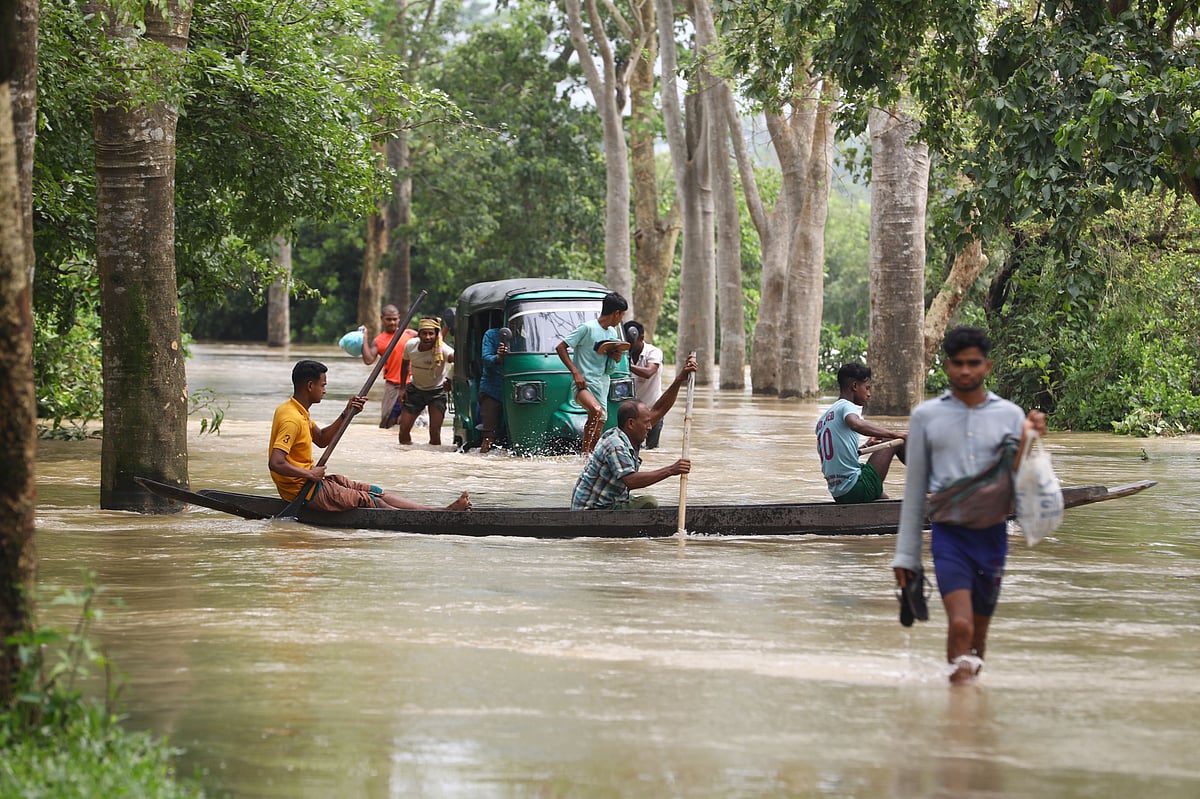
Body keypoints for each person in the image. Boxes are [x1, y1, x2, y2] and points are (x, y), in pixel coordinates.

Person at [892, 326, 1046, 686]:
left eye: (973, 363)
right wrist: (905, 558)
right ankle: (960, 714)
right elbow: (914, 493)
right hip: (950, 537)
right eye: (958, 363)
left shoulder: (1010, 415)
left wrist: (1030, 439)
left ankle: (966, 704)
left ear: (987, 366)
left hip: (993, 538)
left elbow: (1019, 477)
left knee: (977, 636)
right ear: (947, 366)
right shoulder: (926, 417)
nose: (965, 371)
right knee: (960, 625)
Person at [268, 359, 471, 511]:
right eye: (323, 385)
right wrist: (310, 474)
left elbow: (321, 439)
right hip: (303, 491)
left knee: (374, 490)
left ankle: (437, 512)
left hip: (312, 482)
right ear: (310, 386)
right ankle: (428, 521)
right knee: (370, 501)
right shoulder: (291, 418)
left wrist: (346, 413)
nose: (325, 390)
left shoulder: (297, 410)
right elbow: (276, 463)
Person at [571, 354, 698, 510]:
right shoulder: (615, 444)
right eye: (646, 423)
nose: (650, 427)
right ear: (631, 424)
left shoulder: (629, 435)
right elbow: (630, 480)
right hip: (591, 510)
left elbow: (659, 409)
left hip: (609, 501)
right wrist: (671, 470)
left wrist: (679, 379)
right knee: (649, 503)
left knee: (639, 500)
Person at [815, 363, 907, 503]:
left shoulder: (823, 419)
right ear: (854, 386)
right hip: (854, 488)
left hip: (839, 493)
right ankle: (926, 481)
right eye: (867, 388)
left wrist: (865, 447)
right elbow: (855, 423)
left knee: (883, 497)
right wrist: (894, 434)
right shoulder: (847, 406)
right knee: (898, 440)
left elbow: (838, 457)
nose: (869, 394)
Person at [555, 292, 629, 454]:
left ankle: (589, 458)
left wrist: (615, 358)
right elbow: (561, 347)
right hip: (583, 385)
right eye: (622, 315)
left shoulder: (612, 334)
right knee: (596, 411)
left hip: (602, 385)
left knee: (599, 426)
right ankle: (584, 454)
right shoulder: (587, 328)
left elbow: (609, 369)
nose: (621, 319)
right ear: (616, 313)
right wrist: (576, 373)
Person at [397, 317, 455, 446]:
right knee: (403, 430)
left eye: (431, 334)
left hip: (437, 392)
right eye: (424, 333)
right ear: (419, 334)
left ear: (436, 335)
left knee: (435, 432)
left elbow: (456, 360)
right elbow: (405, 365)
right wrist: (402, 388)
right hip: (416, 390)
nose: (428, 337)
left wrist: (449, 380)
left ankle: (432, 462)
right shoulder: (411, 345)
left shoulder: (442, 349)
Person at [361, 305, 416, 429]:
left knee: (413, 422)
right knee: (388, 422)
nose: (392, 322)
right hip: (392, 386)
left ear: (399, 319)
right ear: (382, 319)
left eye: (395, 319)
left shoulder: (410, 334)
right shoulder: (378, 340)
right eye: (389, 319)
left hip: (411, 384)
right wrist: (364, 339)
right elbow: (369, 360)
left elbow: (430, 341)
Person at [622, 320, 664, 452]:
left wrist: (626, 365)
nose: (629, 346)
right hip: (631, 414)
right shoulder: (621, 355)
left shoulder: (653, 352)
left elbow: (649, 372)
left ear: (641, 338)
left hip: (653, 410)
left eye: (631, 343)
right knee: (629, 448)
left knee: (651, 450)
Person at [478, 325, 508, 454]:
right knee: (489, 435)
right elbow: (486, 358)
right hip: (493, 390)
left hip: (520, 391)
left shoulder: (529, 334)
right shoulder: (491, 334)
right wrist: (498, 357)